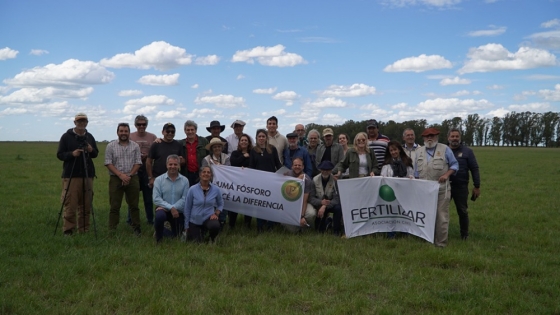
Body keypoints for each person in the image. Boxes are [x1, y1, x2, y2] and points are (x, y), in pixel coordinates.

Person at [415, 127, 459, 247]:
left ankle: (441, 243)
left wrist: (446, 175)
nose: (430, 138)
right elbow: (416, 173)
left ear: (437, 137)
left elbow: (455, 165)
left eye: (432, 135)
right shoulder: (418, 152)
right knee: (425, 215)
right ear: (423, 138)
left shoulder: (445, 149)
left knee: (441, 216)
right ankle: (427, 239)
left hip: (441, 189)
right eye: (427, 136)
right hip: (424, 190)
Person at [56, 112, 99, 235]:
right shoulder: (66, 136)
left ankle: (84, 229)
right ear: (75, 123)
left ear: (87, 123)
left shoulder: (89, 136)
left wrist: (91, 150)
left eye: (84, 121)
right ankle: (68, 230)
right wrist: (72, 154)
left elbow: (95, 154)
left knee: (86, 204)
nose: (81, 123)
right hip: (71, 175)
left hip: (88, 174)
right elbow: (60, 154)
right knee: (70, 204)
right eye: (79, 121)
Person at [104, 122, 143, 235]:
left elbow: (138, 162)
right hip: (116, 178)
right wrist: (121, 175)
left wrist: (129, 175)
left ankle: (136, 228)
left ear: (129, 132)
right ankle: (112, 229)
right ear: (117, 132)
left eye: (126, 131)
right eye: (121, 131)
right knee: (115, 205)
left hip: (132, 177)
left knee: (134, 205)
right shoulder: (111, 146)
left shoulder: (135, 146)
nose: (123, 133)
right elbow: (108, 163)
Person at [448, 128, 481, 240]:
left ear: (460, 138)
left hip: (461, 186)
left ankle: (464, 235)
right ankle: (440, 232)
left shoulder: (467, 152)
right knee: (441, 210)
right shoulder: (444, 150)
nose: (455, 138)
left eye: (457, 136)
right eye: (452, 136)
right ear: (448, 138)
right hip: (445, 186)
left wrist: (476, 186)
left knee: (462, 211)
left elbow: (474, 168)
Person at [249, 129, 282, 232]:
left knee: (270, 204)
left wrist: (284, 173)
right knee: (260, 204)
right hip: (259, 182)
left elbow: (278, 164)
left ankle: (270, 225)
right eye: (259, 136)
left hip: (271, 181)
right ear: (256, 138)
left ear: (266, 138)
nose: (261, 138)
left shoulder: (272, 149)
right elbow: (251, 167)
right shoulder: (253, 151)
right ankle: (260, 225)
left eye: (263, 136)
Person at [153, 154, 190, 243]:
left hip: (178, 211)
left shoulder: (185, 180)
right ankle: (159, 238)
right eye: (170, 164)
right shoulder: (159, 180)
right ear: (166, 165)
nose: (173, 167)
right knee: (159, 216)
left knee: (176, 235)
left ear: (179, 166)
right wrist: (171, 208)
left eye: (175, 164)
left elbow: (185, 198)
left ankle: (163, 229)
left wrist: (174, 208)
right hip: (163, 210)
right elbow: (156, 198)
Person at [128, 114, 158, 225]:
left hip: (147, 170)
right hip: (133, 170)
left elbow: (156, 151)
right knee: (132, 197)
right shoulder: (130, 136)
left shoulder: (153, 137)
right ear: (135, 125)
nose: (141, 126)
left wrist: (148, 156)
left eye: (144, 124)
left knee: (148, 198)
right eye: (139, 124)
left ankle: (150, 220)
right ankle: (130, 219)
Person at [184, 166, 224, 243]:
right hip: (195, 219)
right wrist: (186, 226)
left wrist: (216, 213)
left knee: (215, 225)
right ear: (200, 175)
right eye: (204, 172)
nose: (206, 174)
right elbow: (187, 207)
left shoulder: (216, 189)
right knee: (197, 242)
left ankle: (211, 239)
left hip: (208, 217)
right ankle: (199, 233)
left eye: (208, 172)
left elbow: (221, 203)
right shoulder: (192, 189)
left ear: (211, 175)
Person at [147, 123, 184, 190]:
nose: (170, 133)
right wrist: (150, 178)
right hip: (158, 178)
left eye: (172, 131)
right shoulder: (156, 144)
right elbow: (148, 162)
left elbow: (183, 160)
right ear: (163, 132)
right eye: (168, 131)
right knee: (158, 199)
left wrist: (181, 161)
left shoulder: (178, 145)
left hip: (174, 178)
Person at [283, 157, 316, 232]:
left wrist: (302, 216)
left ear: (303, 167)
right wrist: (297, 180)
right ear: (292, 166)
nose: (297, 167)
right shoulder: (286, 175)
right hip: (289, 203)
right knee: (293, 230)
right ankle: (297, 228)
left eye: (299, 165)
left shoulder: (307, 179)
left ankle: (307, 228)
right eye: (295, 165)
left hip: (302, 203)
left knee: (311, 214)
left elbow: (305, 200)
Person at [309, 161, 342, 236]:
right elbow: (311, 198)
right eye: (323, 169)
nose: (325, 171)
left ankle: (336, 230)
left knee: (338, 208)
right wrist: (320, 203)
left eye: (327, 170)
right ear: (320, 170)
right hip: (318, 204)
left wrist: (325, 205)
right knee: (320, 230)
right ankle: (327, 223)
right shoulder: (314, 180)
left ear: (331, 170)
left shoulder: (335, 181)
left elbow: (337, 199)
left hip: (330, 204)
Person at [229, 133, 253, 228]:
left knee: (248, 203)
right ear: (239, 142)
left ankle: (247, 224)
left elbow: (253, 164)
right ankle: (231, 225)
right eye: (242, 140)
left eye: (245, 140)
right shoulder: (235, 153)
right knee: (235, 202)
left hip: (249, 181)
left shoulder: (253, 153)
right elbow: (234, 162)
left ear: (249, 142)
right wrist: (244, 156)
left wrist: (246, 168)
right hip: (236, 182)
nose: (244, 142)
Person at [179, 120, 209, 185]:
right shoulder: (181, 143)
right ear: (185, 131)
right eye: (188, 130)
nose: (190, 132)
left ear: (196, 130)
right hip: (187, 174)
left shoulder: (203, 141)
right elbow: (169, 142)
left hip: (201, 174)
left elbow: (210, 155)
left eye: (192, 130)